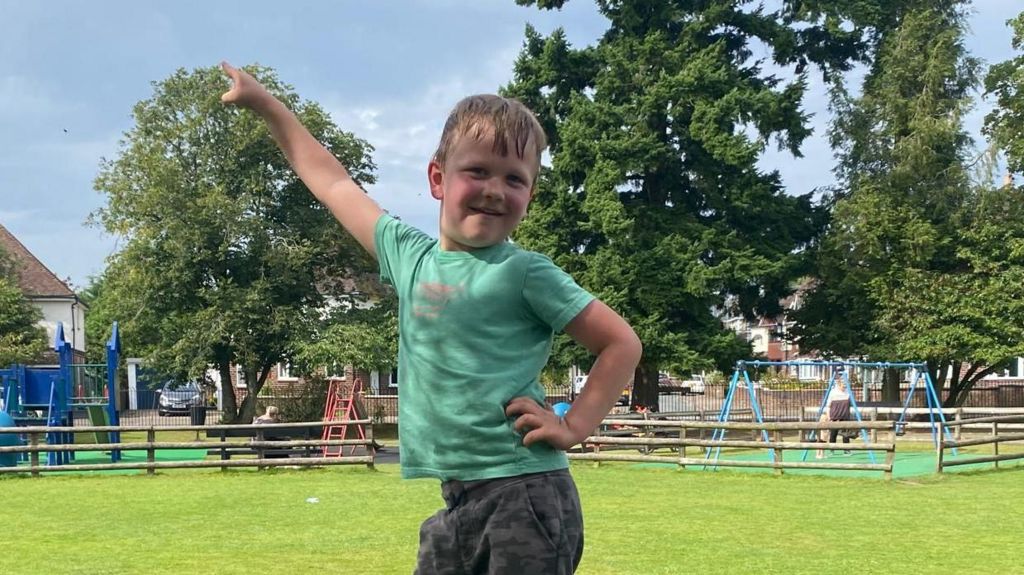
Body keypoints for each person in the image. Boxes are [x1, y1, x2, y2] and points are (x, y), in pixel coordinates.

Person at [220, 62, 643, 574]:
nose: (495, 189)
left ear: (529, 196)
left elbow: (621, 343)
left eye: (515, 178)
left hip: (524, 494)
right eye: (478, 171)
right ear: (438, 178)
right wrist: (268, 106)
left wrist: (573, 424)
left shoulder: (525, 273)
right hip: (458, 501)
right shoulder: (409, 257)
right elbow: (332, 183)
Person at [816, 378, 852, 459]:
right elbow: (828, 406)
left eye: (845, 385)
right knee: (833, 433)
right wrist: (829, 416)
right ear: (839, 385)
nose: (844, 387)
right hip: (835, 415)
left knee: (846, 434)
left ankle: (847, 450)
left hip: (844, 415)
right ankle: (832, 449)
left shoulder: (847, 392)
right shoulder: (833, 392)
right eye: (843, 385)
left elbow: (851, 403)